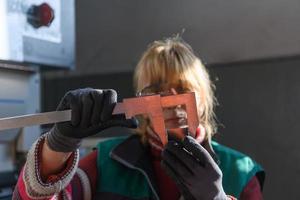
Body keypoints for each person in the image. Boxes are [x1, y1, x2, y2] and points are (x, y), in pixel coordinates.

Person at [13, 37, 265, 200]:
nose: (171, 97)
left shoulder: (240, 172)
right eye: (157, 88)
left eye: (182, 86)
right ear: (141, 102)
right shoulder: (105, 162)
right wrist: (57, 147)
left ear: (203, 97)